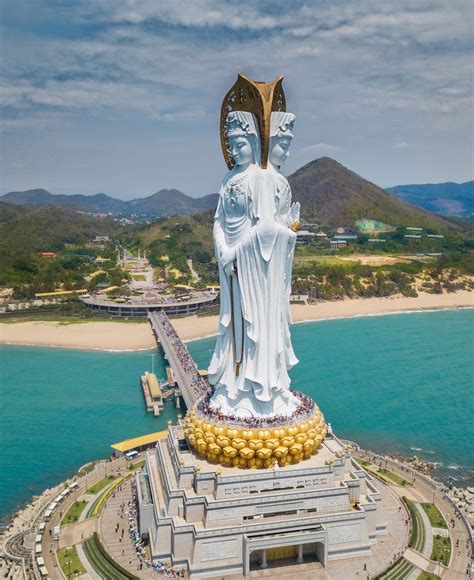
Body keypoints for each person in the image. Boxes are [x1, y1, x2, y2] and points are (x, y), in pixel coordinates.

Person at [208, 110, 299, 418]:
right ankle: (233, 387)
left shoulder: (261, 179)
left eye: (240, 144)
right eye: (231, 144)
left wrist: (237, 252)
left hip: (256, 269)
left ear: (254, 141)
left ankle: (259, 390)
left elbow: (267, 229)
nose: (234, 151)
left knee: (256, 324)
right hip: (232, 264)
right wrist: (223, 250)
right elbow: (219, 220)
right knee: (234, 324)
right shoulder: (229, 178)